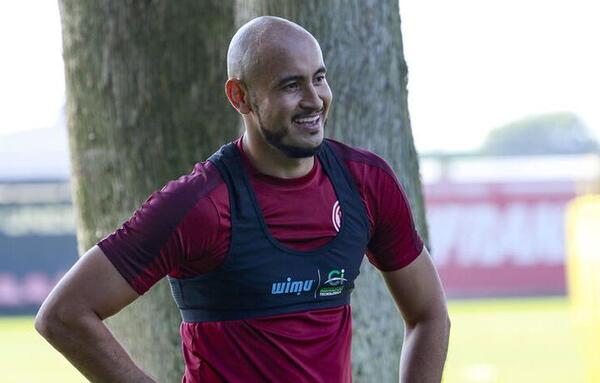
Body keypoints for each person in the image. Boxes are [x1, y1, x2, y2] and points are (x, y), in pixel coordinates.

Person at [35, 16, 450, 383]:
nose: (314, 99)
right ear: (240, 97)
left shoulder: (366, 183)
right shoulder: (200, 204)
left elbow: (429, 315)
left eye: (319, 78)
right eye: (291, 84)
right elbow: (64, 315)